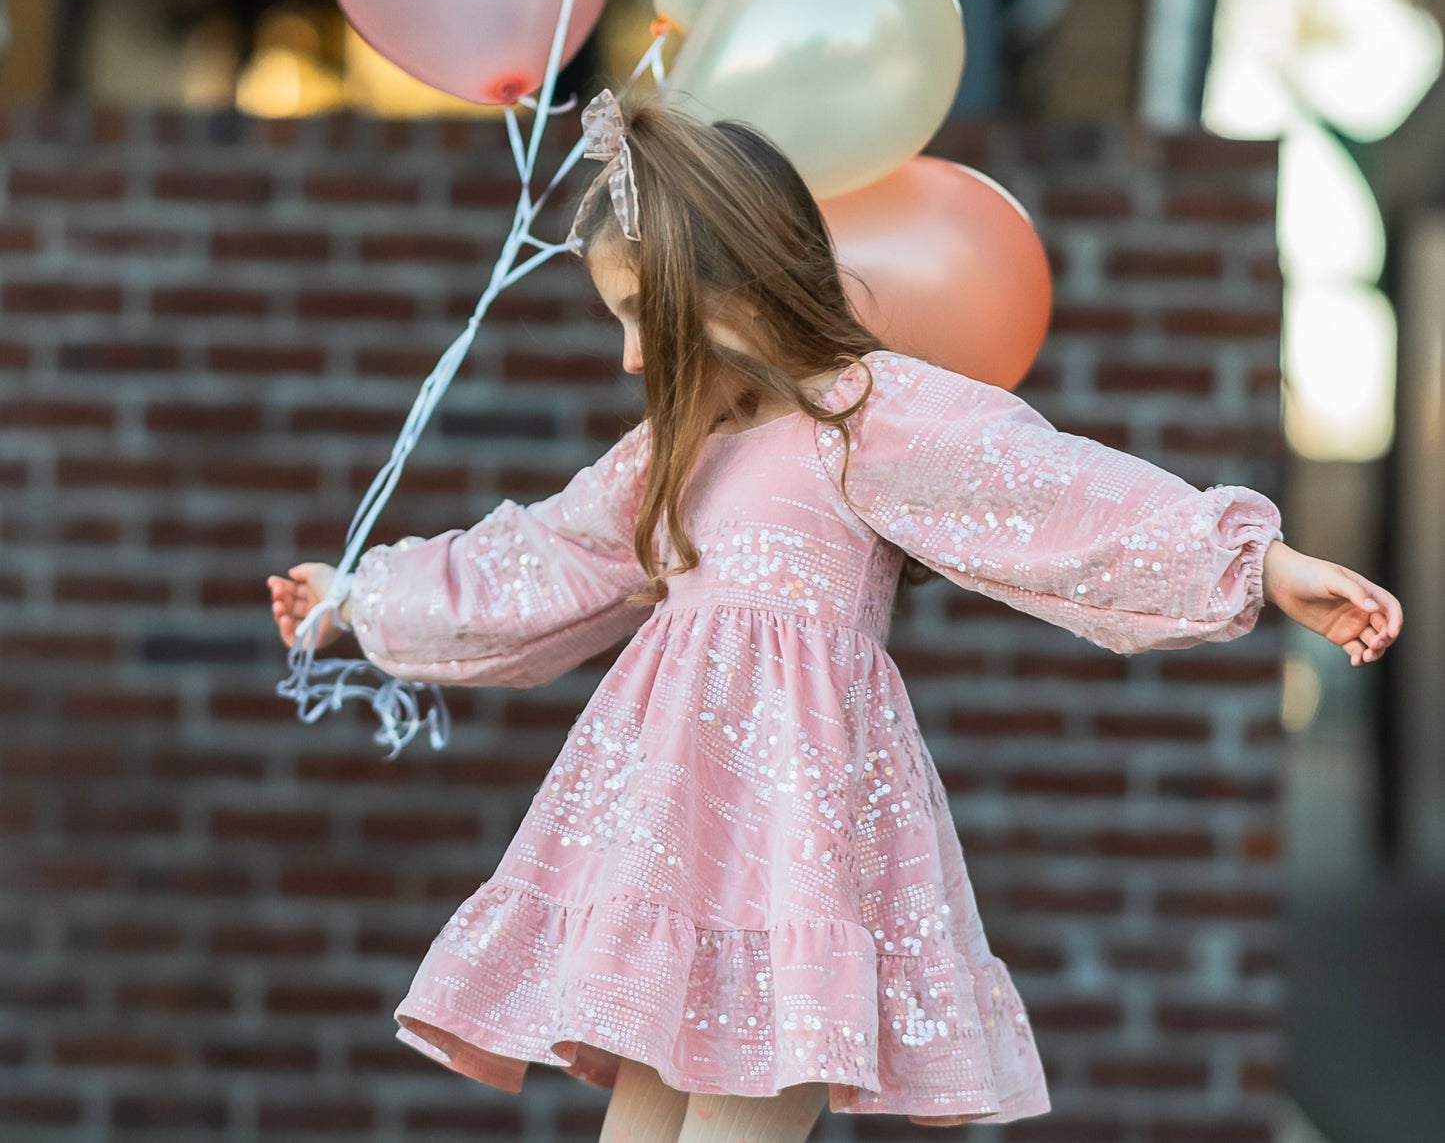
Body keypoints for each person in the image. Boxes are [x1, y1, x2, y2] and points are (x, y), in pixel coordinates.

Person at [267, 88, 1401, 1142]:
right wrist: (359, 602)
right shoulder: (670, 454)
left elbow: (1049, 493)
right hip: (666, 853)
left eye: (636, 315)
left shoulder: (860, 413)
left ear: (721, 289)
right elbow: (538, 559)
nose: (623, 353)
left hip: (795, 855)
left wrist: (1259, 564)